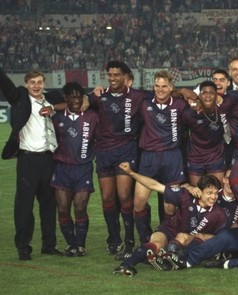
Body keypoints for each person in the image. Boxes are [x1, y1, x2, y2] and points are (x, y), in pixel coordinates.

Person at [113, 164, 226, 277]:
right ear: (200, 191)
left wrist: (201, 236)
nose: (214, 197)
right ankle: (126, 265)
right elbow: (154, 185)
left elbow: (222, 237)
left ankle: (165, 257)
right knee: (156, 244)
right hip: (168, 229)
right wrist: (131, 173)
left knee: (182, 238)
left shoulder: (218, 213)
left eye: (216, 193)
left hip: (187, 241)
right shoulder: (185, 196)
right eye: (209, 193)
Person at [1, 67, 64, 260]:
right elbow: (5, 83)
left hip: (48, 159)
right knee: (24, 206)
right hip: (28, 160)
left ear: (44, 84)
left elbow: (71, 100)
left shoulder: (50, 100)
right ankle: (23, 248)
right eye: (32, 82)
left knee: (48, 205)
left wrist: (53, 107)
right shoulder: (20, 98)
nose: (36, 86)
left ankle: (49, 245)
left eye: (39, 82)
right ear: (26, 84)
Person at [89, 61, 150, 256]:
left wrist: (184, 92)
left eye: (117, 75)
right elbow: (78, 103)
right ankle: (113, 239)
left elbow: (161, 97)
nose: (113, 78)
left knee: (125, 197)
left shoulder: (137, 96)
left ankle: (129, 240)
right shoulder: (99, 97)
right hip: (104, 152)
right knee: (107, 198)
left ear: (125, 77)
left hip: (125, 150)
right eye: (110, 75)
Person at [132, 70, 197, 245]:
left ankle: (165, 237)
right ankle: (145, 240)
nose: (160, 90)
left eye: (164, 86)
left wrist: (185, 93)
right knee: (139, 201)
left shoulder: (180, 105)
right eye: (157, 86)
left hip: (172, 158)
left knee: (170, 206)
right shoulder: (144, 104)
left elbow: (196, 111)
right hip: (149, 157)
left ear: (171, 88)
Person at [50, 82, 99, 257]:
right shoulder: (56, 118)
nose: (76, 100)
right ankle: (71, 244)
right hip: (62, 168)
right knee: (63, 209)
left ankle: (80, 245)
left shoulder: (92, 117)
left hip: (83, 169)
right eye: (73, 96)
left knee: (80, 208)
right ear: (66, 98)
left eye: (79, 96)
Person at [185, 81, 238, 186]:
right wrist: (183, 91)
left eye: (211, 93)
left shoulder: (223, 105)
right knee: (197, 193)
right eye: (204, 93)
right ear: (199, 96)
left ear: (216, 95)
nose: (208, 96)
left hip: (216, 157)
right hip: (196, 158)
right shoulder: (190, 113)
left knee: (217, 193)